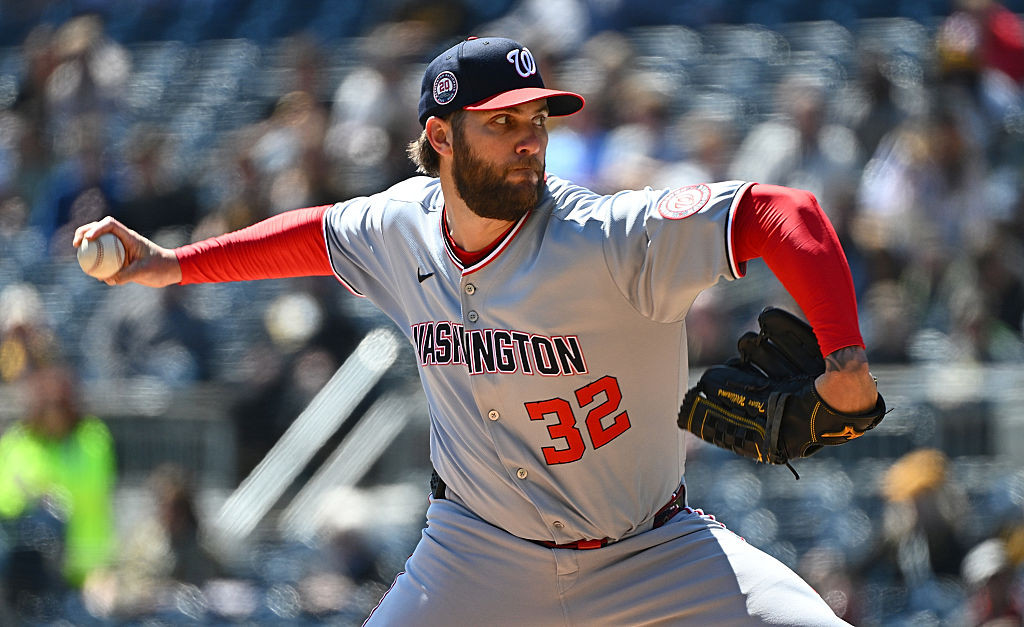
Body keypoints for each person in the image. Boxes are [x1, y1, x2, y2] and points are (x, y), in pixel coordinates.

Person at [75, 36, 880, 625]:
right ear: (440, 136)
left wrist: (844, 359)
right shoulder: (400, 225)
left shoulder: (608, 238)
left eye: (536, 117)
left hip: (652, 552)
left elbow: (786, 213)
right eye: (501, 122)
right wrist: (170, 265)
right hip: (477, 552)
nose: (530, 136)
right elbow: (310, 235)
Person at [0, 365, 116, 614]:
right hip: (31, 568)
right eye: (47, 407)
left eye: (59, 406)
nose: (53, 415)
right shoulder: (18, 441)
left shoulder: (92, 438)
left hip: (86, 568)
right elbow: (5, 496)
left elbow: (88, 486)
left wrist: (42, 489)